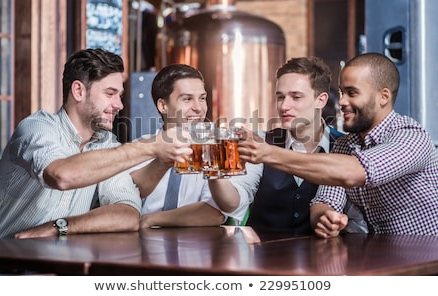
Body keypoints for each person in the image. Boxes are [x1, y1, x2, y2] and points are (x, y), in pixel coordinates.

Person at [0, 48, 192, 241]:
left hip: (58, 266)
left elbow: (128, 214)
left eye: (119, 96)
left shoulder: (106, 144)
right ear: (78, 91)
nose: (119, 105)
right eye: (109, 93)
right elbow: (62, 175)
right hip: (5, 264)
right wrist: (150, 146)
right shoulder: (37, 127)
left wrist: (59, 226)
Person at [238, 52, 438, 237]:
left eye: (352, 93)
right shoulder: (345, 144)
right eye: (342, 92)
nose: (341, 101)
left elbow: (355, 171)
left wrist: (267, 153)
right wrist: (325, 217)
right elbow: (325, 200)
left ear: (383, 97)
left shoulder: (412, 137)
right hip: (381, 261)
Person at [208, 56, 345, 235]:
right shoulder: (261, 142)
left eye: (296, 97)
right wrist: (213, 171)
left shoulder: (344, 147)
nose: (284, 106)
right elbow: (232, 202)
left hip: (323, 258)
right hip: (263, 256)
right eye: (280, 97)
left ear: (321, 100)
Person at [129, 63, 226, 228]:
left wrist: (151, 219)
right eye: (187, 99)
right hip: (141, 246)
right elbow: (122, 199)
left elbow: (214, 213)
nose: (198, 108)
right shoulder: (140, 148)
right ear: (163, 106)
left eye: (202, 98)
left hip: (196, 246)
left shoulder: (214, 149)